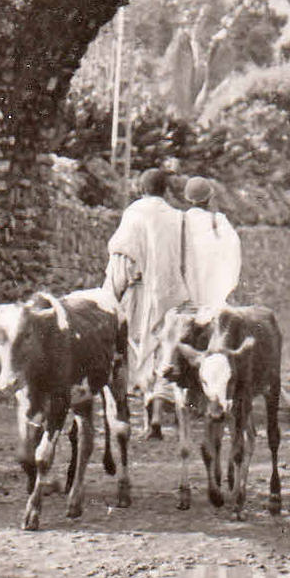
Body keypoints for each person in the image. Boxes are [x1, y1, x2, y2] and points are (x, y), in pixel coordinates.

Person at [103, 167, 190, 438]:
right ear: (166, 190)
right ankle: (156, 417)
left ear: (141, 189)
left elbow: (123, 256)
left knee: (136, 349)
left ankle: (139, 417)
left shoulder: (134, 214)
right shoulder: (178, 218)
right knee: (164, 351)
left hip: (138, 293)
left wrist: (112, 293)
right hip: (171, 294)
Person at [182, 176, 242, 308]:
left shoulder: (180, 222)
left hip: (187, 296)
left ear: (186, 198)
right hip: (215, 296)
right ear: (210, 198)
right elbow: (233, 256)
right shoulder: (219, 221)